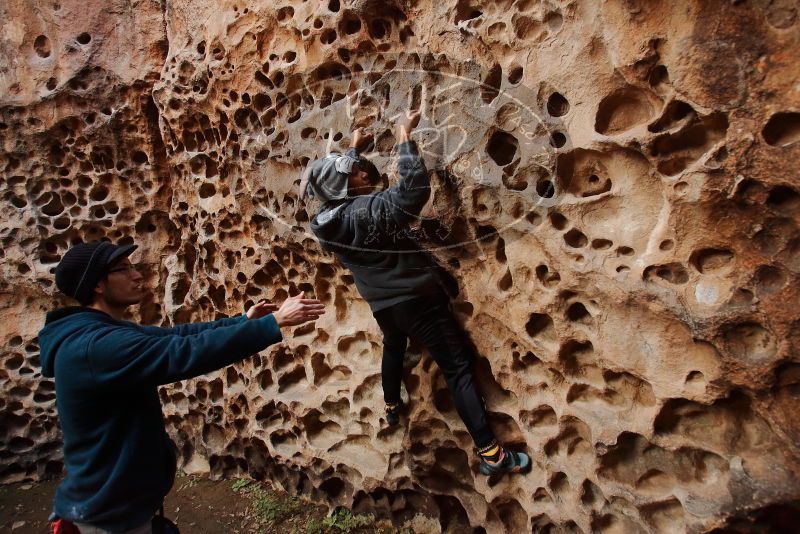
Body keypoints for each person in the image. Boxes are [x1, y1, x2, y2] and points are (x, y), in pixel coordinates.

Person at [38, 240, 325, 533]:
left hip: (116, 502)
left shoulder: (100, 331)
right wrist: (274, 322)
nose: (137, 275)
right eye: (123, 269)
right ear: (97, 285)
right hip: (108, 515)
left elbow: (177, 336)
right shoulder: (94, 347)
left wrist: (243, 321)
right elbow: (184, 353)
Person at [303, 110, 531, 476]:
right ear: (345, 187)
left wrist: (353, 149)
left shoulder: (324, 222)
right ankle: (492, 456)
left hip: (384, 305)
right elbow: (413, 191)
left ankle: (391, 405)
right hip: (418, 302)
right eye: (357, 172)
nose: (364, 172)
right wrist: (405, 137)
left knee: (394, 345)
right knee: (457, 369)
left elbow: (336, 184)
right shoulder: (369, 211)